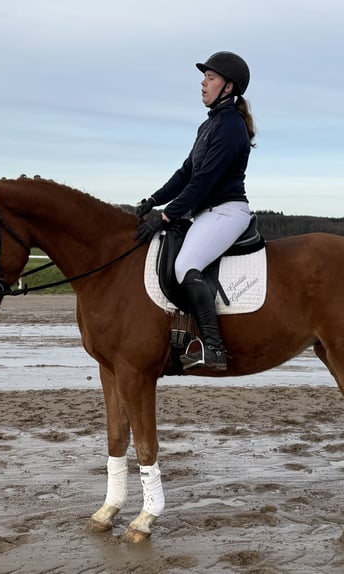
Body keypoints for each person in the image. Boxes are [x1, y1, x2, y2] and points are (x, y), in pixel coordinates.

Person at [135, 51, 256, 371]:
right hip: (206, 213)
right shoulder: (210, 125)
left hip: (226, 211)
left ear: (228, 87)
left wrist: (166, 215)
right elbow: (186, 173)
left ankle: (213, 347)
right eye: (204, 77)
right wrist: (153, 200)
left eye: (210, 78)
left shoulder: (231, 126)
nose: (203, 83)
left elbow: (203, 182)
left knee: (186, 264)